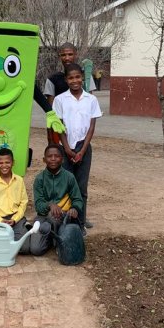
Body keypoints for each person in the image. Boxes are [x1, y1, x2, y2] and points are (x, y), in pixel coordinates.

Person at [44, 42, 97, 229]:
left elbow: (89, 118)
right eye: (63, 55)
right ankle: (61, 220)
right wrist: (56, 145)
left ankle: (80, 220)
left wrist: (81, 149)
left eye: (70, 54)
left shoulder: (88, 90)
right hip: (62, 141)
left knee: (81, 187)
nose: (67, 58)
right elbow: (52, 116)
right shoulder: (54, 83)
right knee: (62, 183)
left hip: (81, 143)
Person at [53, 63, 102, 237]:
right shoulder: (60, 100)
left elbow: (91, 127)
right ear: (66, 80)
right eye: (71, 78)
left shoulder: (91, 100)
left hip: (84, 147)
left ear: (83, 77)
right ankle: (65, 223)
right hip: (65, 148)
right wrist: (66, 148)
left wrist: (82, 150)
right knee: (65, 187)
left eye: (78, 77)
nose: (75, 81)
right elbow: (59, 127)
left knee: (81, 189)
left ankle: (80, 224)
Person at [33, 144, 84, 252]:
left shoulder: (69, 177)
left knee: (54, 218)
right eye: (49, 156)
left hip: (64, 216)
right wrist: (50, 205)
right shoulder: (39, 179)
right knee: (36, 249)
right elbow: (38, 205)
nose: (53, 159)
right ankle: (50, 237)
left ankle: (58, 243)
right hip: (43, 216)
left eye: (56, 156)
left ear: (62, 159)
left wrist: (74, 208)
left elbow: (78, 199)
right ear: (44, 159)